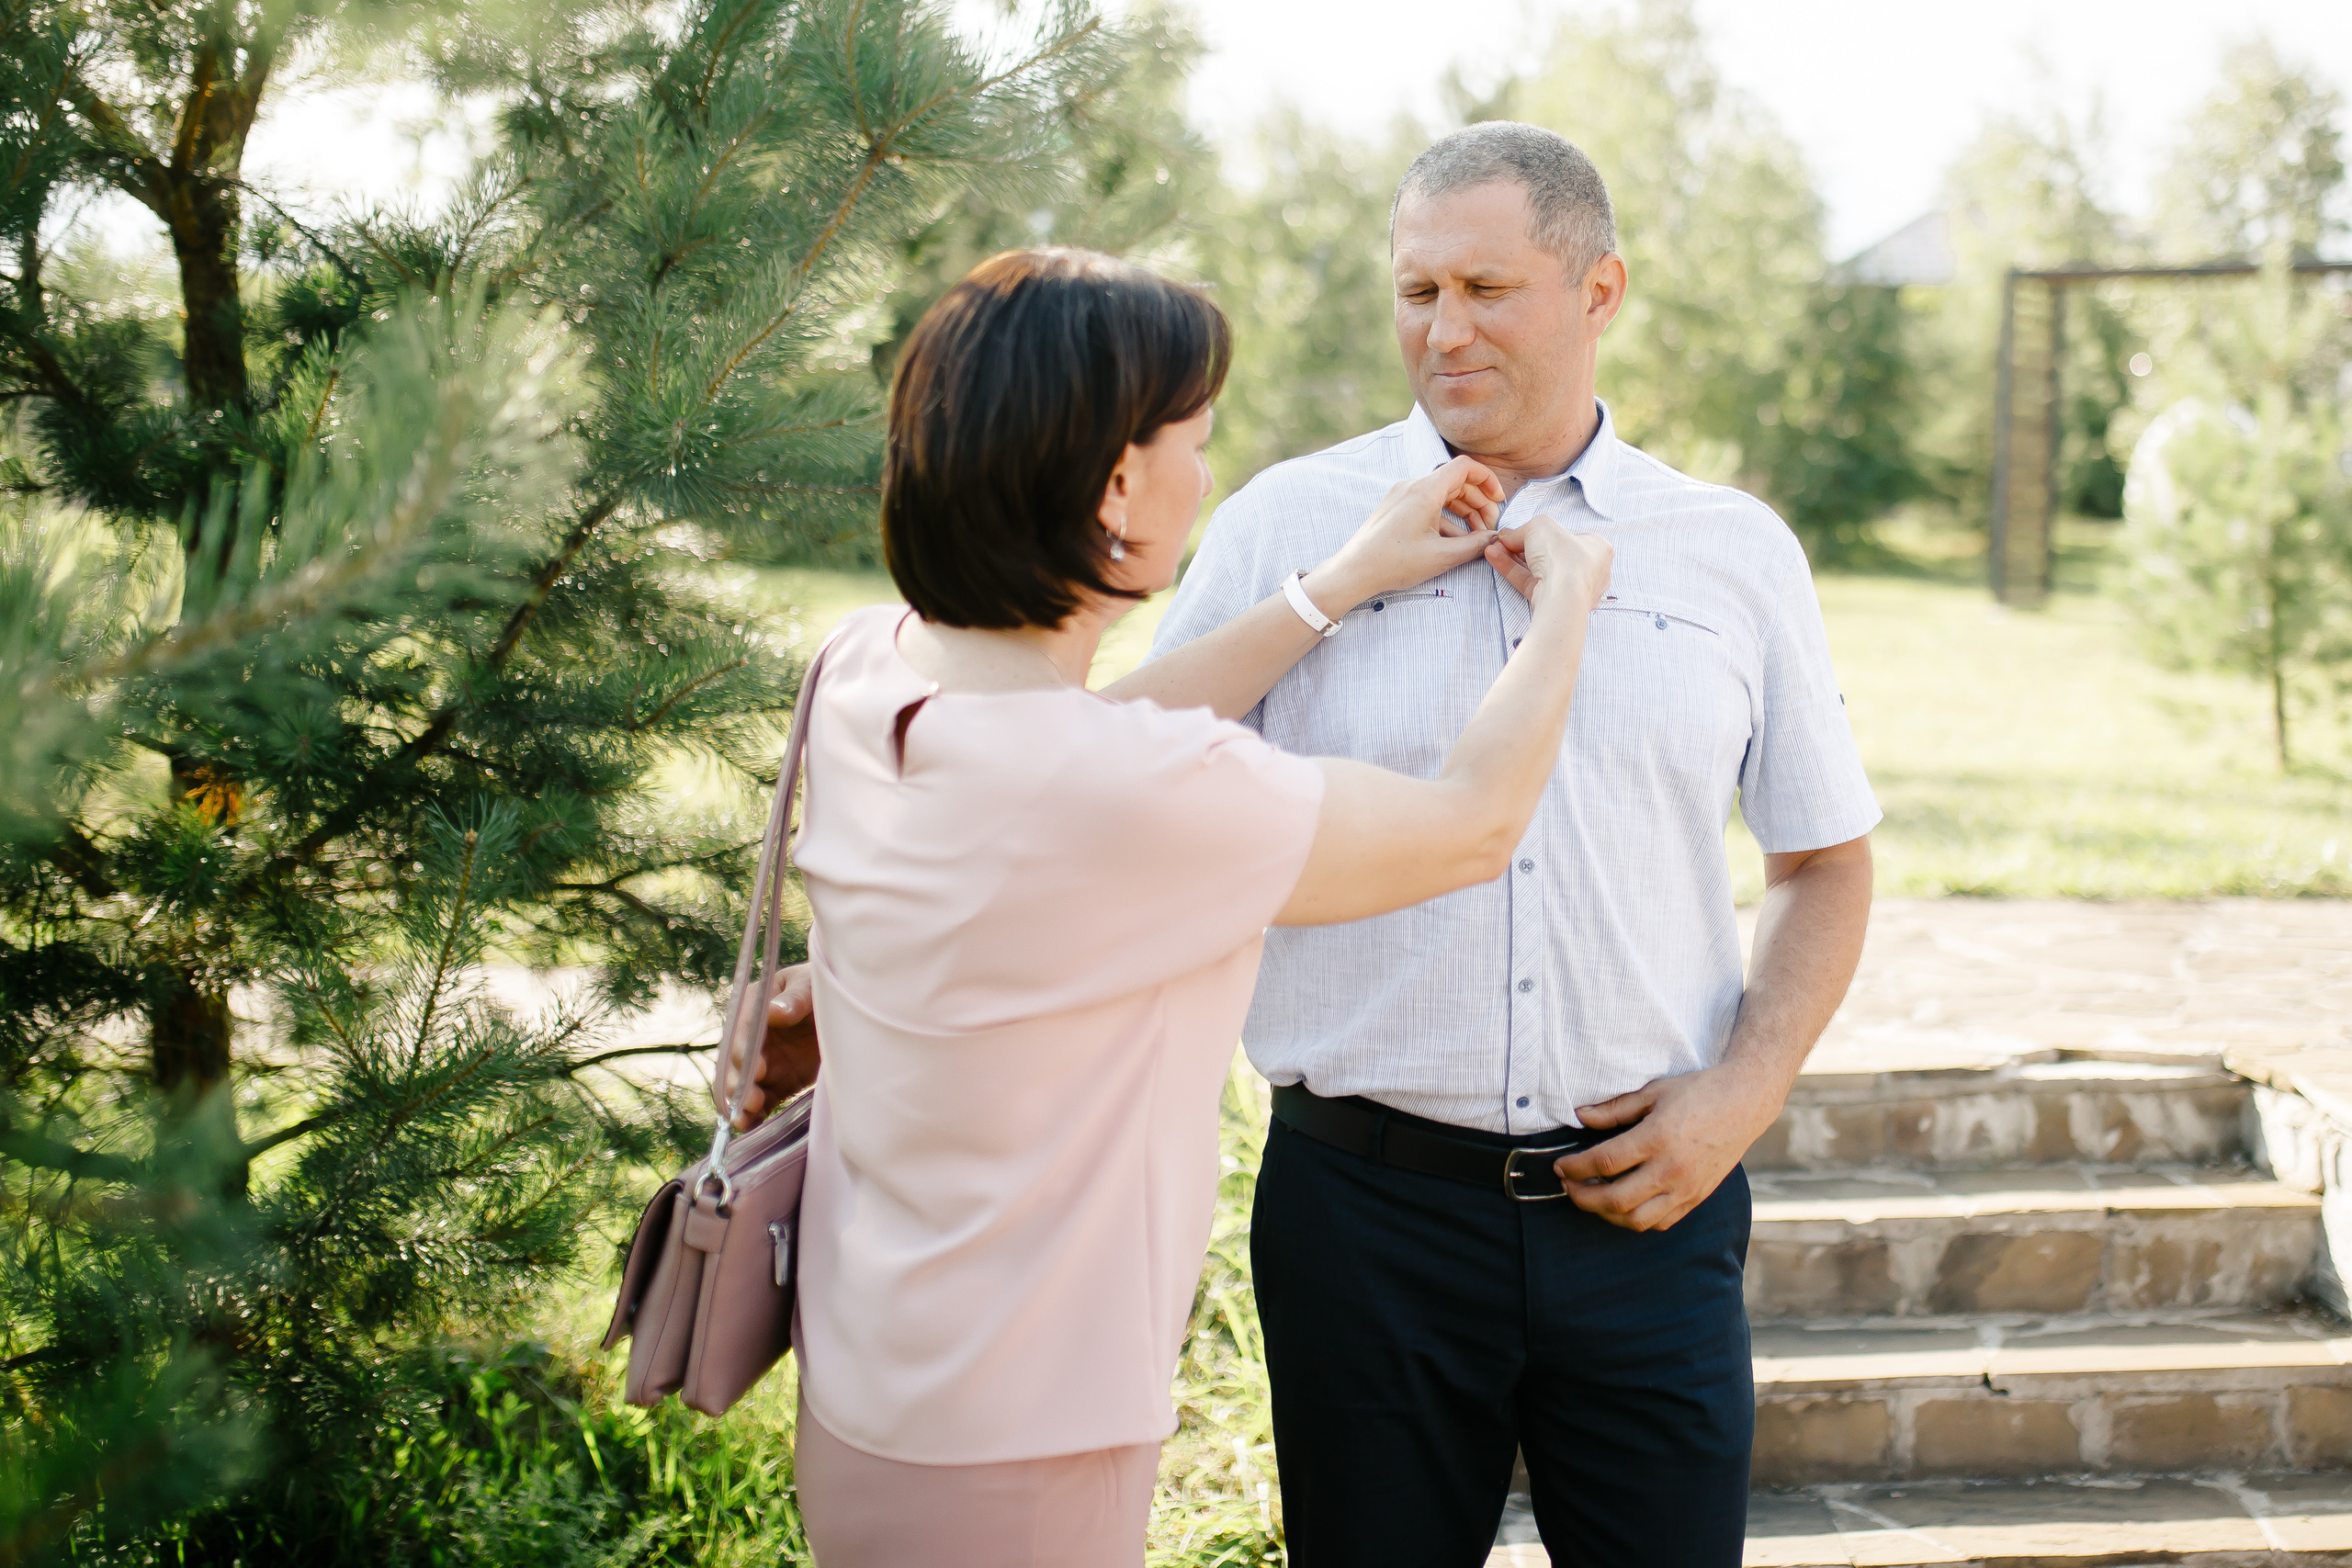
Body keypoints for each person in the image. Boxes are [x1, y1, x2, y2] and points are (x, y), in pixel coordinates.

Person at [727, 247, 1614, 1567]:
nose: (1209, 473)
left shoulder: (867, 661)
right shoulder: (1143, 794)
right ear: (1119, 486)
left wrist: (1336, 584)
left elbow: (1075, 743)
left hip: (869, 1380)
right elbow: (1470, 828)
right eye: (1194, 441)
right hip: (1022, 1441)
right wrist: (1568, 612)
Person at [1145, 122, 1881, 1567]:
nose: (1445, 330)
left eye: (1488, 288)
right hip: (1365, 1222)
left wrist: (1743, 1092)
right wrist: (1334, 586)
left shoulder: (1732, 551)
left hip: (1649, 1217)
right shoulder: (1288, 523)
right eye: (1418, 292)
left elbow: (1826, 860)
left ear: (1600, 291)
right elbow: (1118, 774)